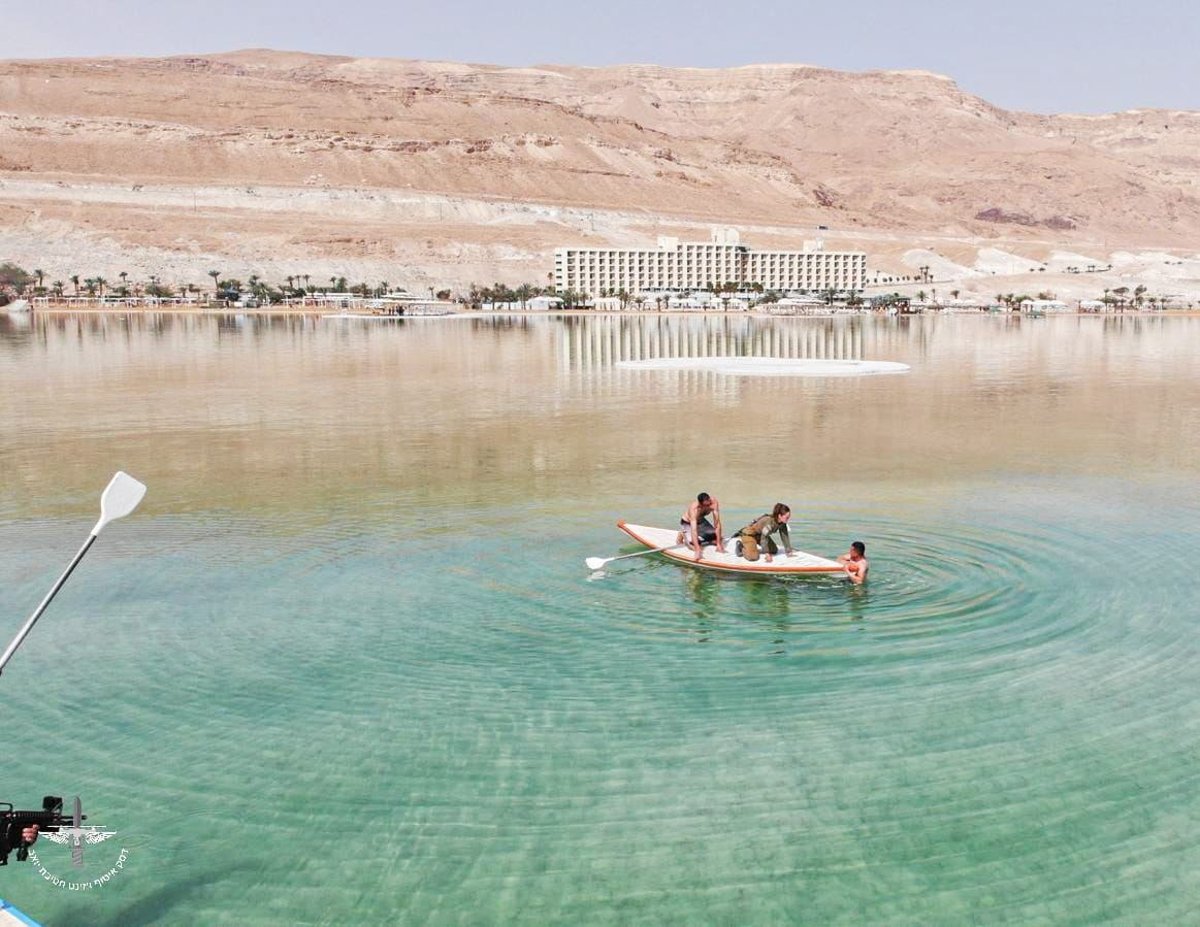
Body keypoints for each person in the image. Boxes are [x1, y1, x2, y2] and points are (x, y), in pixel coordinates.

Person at [677, 492, 724, 561]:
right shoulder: (694, 508)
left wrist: (718, 544)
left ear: (710, 500)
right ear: (700, 504)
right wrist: (697, 550)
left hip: (701, 521)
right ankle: (682, 534)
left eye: (709, 504)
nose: (708, 506)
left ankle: (699, 537)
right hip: (688, 523)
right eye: (705, 505)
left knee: (716, 538)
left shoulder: (713, 502)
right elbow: (694, 530)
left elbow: (717, 523)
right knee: (693, 545)